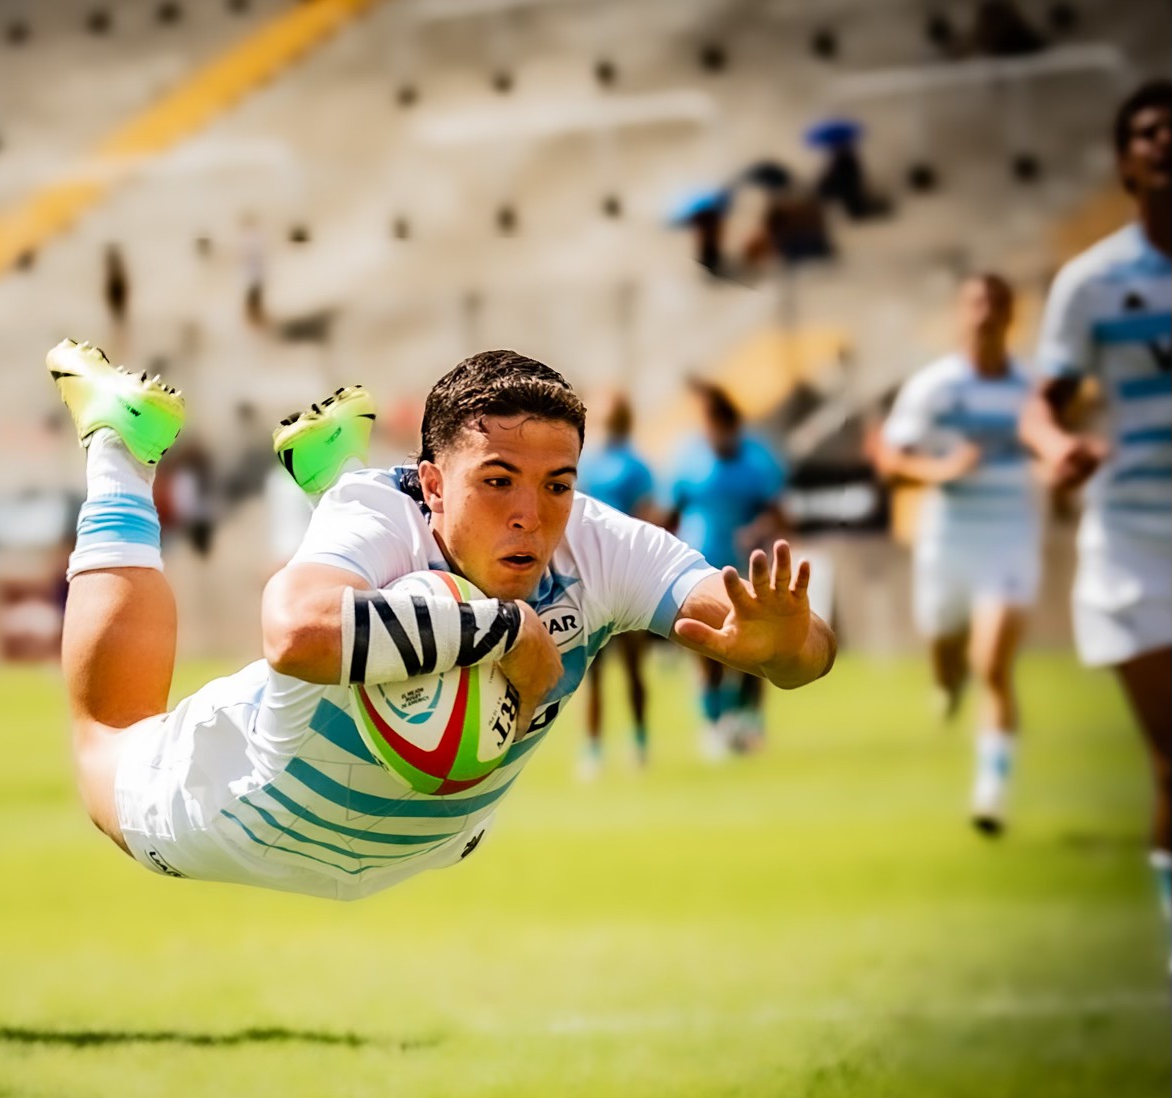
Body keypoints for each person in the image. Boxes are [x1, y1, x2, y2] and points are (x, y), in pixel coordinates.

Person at [44, 342, 834, 899]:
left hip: (436, 839)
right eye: (498, 481)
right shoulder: (382, 510)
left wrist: (787, 648)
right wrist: (505, 631)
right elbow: (292, 633)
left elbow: (805, 652)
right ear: (430, 481)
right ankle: (121, 441)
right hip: (245, 809)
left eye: (556, 484)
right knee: (102, 740)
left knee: (423, 589)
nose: (531, 513)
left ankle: (322, 467)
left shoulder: (599, 542)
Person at [1021, 81, 1171, 962]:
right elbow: (1043, 407)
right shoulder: (1091, 283)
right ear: (1124, 161)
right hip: (1136, 543)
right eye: (1147, 133)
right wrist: (1054, 450)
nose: (1163, 142)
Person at [878, 274, 1041, 836]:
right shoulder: (934, 387)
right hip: (948, 539)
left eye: (997, 303)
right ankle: (947, 688)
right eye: (976, 303)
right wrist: (943, 471)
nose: (986, 314)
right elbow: (892, 461)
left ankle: (991, 791)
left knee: (992, 662)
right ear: (960, 314)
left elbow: (1052, 442)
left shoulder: (1032, 387)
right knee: (948, 656)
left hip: (1010, 536)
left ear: (1011, 313)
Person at [665, 380, 789, 758]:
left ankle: (748, 720)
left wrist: (757, 531)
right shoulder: (689, 457)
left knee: (754, 649)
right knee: (706, 647)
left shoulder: (757, 460)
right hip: (699, 567)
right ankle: (713, 724)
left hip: (746, 567)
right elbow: (670, 513)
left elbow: (778, 514)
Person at [575, 390, 659, 776]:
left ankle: (639, 741)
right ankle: (592, 750)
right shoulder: (586, 463)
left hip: (624, 577)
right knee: (591, 671)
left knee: (633, 668)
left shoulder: (636, 467)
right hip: (591, 579)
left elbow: (646, 516)